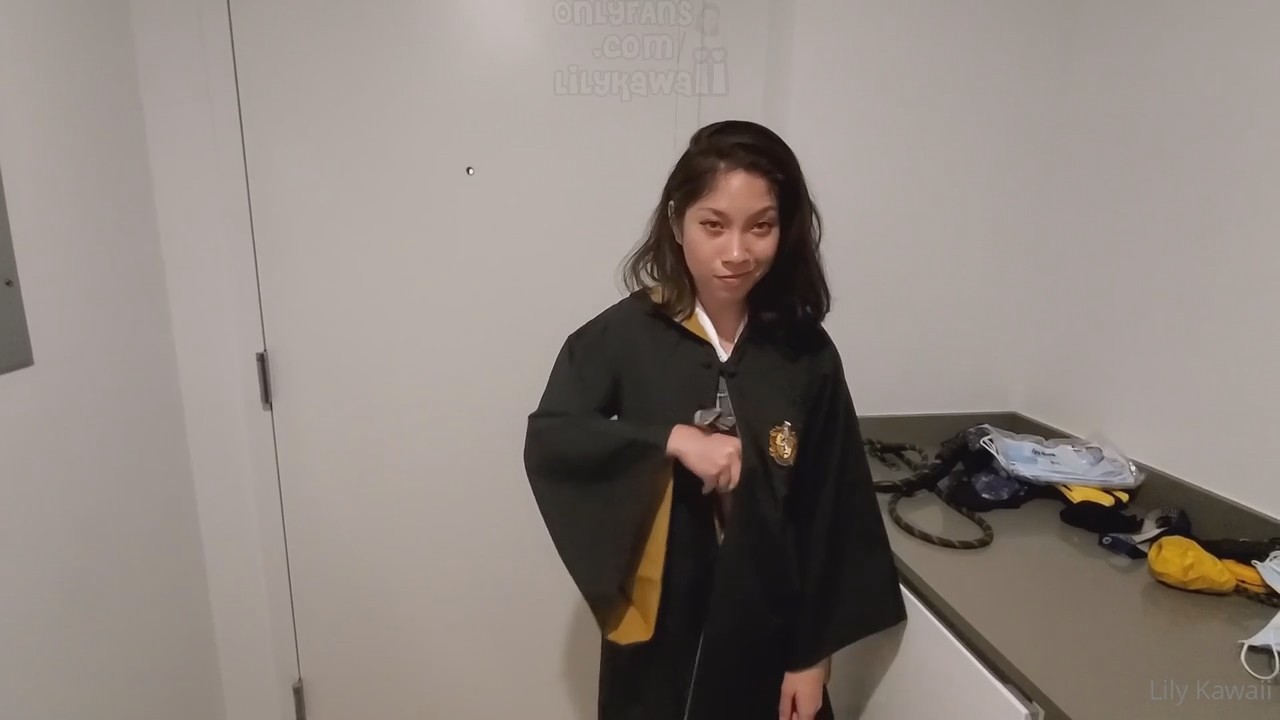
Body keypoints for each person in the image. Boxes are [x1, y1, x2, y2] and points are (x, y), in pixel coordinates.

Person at [524, 120, 906, 720]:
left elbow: (832, 507)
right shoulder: (625, 335)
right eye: (713, 225)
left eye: (761, 226)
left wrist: (813, 656)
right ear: (678, 222)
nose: (736, 252)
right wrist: (669, 440)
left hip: (770, 633)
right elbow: (555, 436)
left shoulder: (804, 352)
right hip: (659, 634)